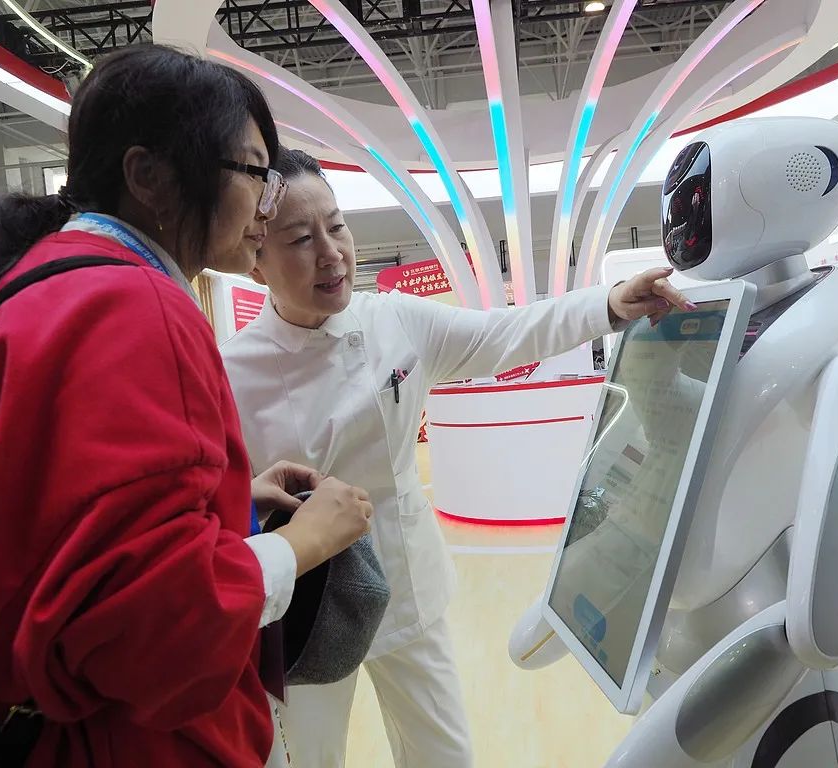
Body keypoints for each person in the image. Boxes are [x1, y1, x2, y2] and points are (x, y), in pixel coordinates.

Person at [220, 148, 693, 768]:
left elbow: (505, 332)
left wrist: (608, 304)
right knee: (309, 758)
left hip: (405, 584)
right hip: (306, 603)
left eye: (336, 226)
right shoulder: (231, 371)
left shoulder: (395, 323)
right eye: (301, 239)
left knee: (444, 755)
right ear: (256, 261)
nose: (331, 253)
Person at [0, 48, 372, 767]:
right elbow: (154, 629)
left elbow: (55, 520)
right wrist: (305, 542)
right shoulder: (137, 305)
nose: (267, 206)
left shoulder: (43, 284)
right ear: (148, 177)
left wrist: (221, 502)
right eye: (255, 174)